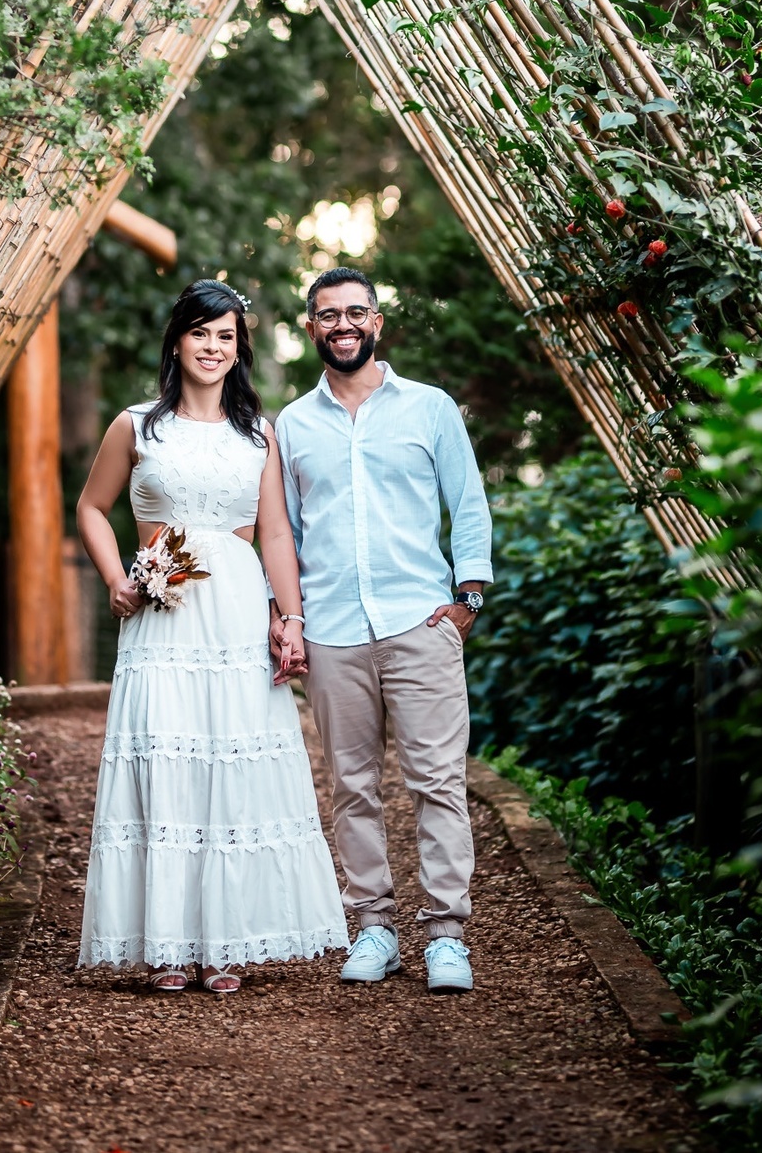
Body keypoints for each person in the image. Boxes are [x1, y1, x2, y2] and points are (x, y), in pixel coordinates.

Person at [74, 279, 349, 994]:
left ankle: (224, 940)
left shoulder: (259, 433)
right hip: (161, 620)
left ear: (239, 348)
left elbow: (275, 534)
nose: (213, 346)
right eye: (201, 332)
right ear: (177, 341)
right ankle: (166, 943)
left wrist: (288, 619)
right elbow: (92, 508)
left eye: (226, 336)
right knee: (168, 762)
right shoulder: (136, 426)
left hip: (233, 610)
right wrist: (117, 578)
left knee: (230, 766)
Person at [274, 267, 491, 994]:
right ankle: (374, 929)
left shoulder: (430, 409)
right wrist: (292, 619)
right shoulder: (292, 426)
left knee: (438, 782)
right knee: (352, 787)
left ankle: (445, 936)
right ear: (311, 327)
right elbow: (289, 536)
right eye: (328, 314)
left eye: (356, 312)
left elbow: (469, 503)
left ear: (378, 323)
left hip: (419, 620)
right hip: (334, 630)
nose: (343, 324)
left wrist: (469, 598)